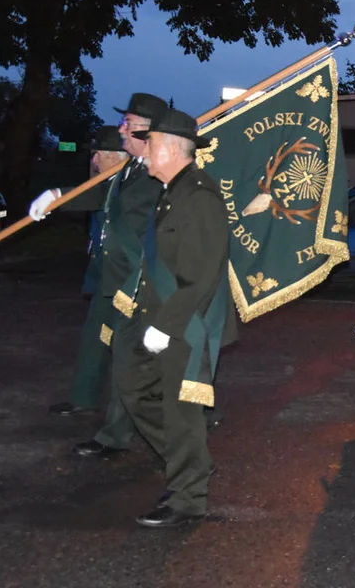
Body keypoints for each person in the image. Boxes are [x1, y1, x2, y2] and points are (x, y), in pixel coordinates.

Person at [29, 94, 167, 460]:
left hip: (144, 284)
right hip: (120, 280)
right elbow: (102, 193)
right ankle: (119, 432)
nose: (121, 128)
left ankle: (125, 437)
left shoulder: (158, 171)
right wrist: (58, 195)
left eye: (129, 122)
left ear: (148, 130)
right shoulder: (134, 168)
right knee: (129, 361)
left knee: (134, 363)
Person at [124, 108, 237, 527]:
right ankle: (189, 464)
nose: (145, 153)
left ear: (171, 149)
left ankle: (188, 495)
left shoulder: (200, 197)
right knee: (133, 390)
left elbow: (201, 276)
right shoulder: (172, 190)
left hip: (187, 326)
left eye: (150, 145)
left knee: (182, 412)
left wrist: (164, 327)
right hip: (159, 319)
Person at [45, 125, 129, 416]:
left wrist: (59, 196)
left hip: (130, 279)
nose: (94, 162)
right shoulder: (103, 185)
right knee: (94, 337)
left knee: (139, 350)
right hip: (104, 275)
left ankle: (197, 412)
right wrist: (55, 197)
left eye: (99, 155)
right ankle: (83, 396)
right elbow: (93, 199)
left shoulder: (131, 185)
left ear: (118, 157)